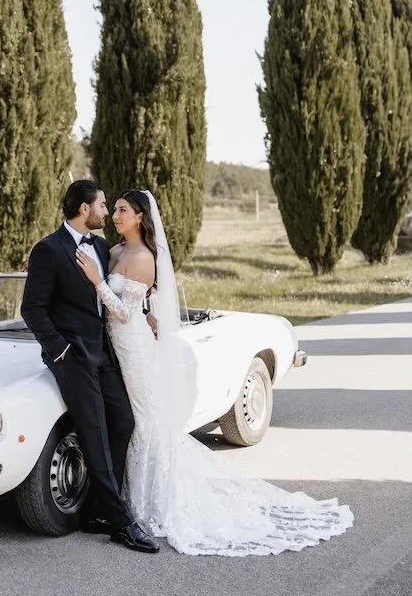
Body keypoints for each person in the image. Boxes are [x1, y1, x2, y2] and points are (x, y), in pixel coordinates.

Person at [75, 188, 355, 556]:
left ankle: (147, 502)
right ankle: (121, 499)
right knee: (131, 420)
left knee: (146, 421)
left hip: (135, 347)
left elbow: (124, 312)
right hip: (118, 346)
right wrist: (141, 310)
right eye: (114, 209)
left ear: (140, 217)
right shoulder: (113, 251)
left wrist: (98, 282)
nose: (115, 215)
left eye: (123, 210)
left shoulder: (143, 257)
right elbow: (136, 305)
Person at [21, 180, 159, 553]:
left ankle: (98, 509)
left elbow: (125, 291)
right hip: (73, 356)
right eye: (101, 205)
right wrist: (60, 350)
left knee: (124, 421)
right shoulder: (49, 250)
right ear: (84, 209)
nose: (106, 213)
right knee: (94, 432)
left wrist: (146, 313)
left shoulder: (100, 246)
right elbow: (31, 308)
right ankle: (120, 521)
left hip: (105, 351)